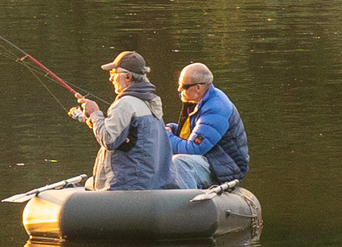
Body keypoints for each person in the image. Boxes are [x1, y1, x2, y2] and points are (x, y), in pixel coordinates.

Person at [72, 51, 170, 190]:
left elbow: (109, 140)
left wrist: (94, 113)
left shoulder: (125, 104)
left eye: (113, 73)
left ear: (128, 77)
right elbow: (130, 138)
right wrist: (93, 120)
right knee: (89, 184)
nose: (110, 79)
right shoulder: (151, 102)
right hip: (150, 184)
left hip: (125, 187)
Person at [167, 61, 250, 189]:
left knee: (180, 162)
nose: (179, 90)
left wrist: (164, 136)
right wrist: (172, 129)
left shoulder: (216, 108)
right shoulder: (198, 100)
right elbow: (196, 134)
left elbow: (193, 149)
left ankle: (188, 204)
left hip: (225, 167)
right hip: (211, 158)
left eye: (183, 86)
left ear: (198, 87)